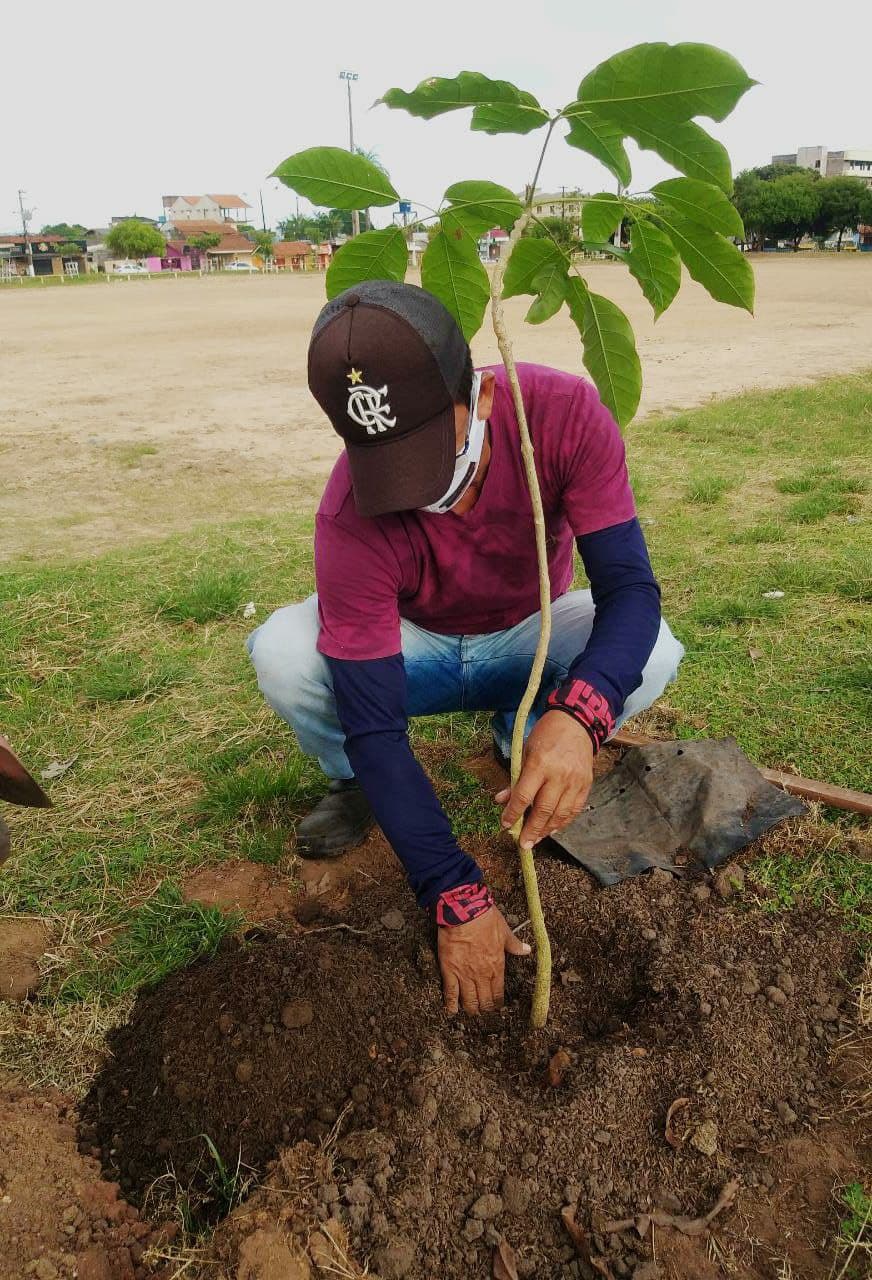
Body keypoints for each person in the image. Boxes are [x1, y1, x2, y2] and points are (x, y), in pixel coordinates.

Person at [247, 280, 684, 1016]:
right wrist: (452, 887)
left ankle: (527, 730)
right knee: (283, 652)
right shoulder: (351, 511)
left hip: (529, 630)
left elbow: (632, 591)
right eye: (385, 464)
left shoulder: (563, 414)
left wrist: (581, 714)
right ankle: (351, 784)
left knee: (657, 650)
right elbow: (377, 726)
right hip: (411, 646)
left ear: (478, 397)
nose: (410, 492)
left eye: (423, 452)